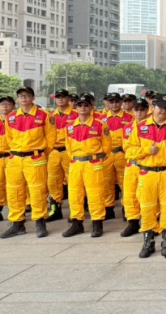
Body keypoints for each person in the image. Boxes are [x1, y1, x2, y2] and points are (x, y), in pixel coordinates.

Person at [125, 94, 166, 258]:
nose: (163, 111)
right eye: (160, 107)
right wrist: (146, 151)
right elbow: (129, 151)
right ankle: (148, 241)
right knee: (147, 207)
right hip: (147, 174)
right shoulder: (141, 127)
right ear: (153, 108)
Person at [1, 86, 55, 239]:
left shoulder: (44, 115)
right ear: (17, 99)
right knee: (14, 191)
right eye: (21, 96)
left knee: (37, 191)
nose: (23, 98)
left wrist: (41, 154)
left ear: (33, 98)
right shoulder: (11, 117)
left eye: (27, 95)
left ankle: (40, 221)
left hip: (35, 158)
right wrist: (15, 152)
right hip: (15, 159)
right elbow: (9, 138)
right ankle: (17, 223)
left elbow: (51, 138)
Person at [62, 94, 113, 238]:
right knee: (74, 194)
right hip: (76, 164)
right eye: (80, 105)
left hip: (93, 164)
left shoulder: (100, 125)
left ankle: (97, 223)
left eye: (86, 105)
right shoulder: (70, 126)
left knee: (95, 194)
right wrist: (74, 158)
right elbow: (68, 146)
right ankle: (77, 223)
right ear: (76, 107)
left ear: (91, 107)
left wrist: (97, 160)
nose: (83, 108)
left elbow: (107, 147)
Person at [120, 98, 150, 238]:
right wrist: (142, 151)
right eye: (136, 109)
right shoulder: (127, 128)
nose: (139, 112)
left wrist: (138, 151)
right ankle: (132, 222)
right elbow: (127, 149)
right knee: (129, 195)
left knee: (146, 196)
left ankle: (150, 223)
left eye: (142, 109)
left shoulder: (152, 126)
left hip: (146, 166)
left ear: (147, 110)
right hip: (131, 165)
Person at [46, 88, 75, 223]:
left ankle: (76, 211)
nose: (61, 99)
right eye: (58, 97)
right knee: (53, 181)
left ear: (68, 99)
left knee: (73, 182)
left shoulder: (76, 114)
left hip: (68, 152)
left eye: (63, 97)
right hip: (54, 152)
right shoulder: (50, 116)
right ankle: (55, 209)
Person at [103, 92, 133, 219]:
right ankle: (108, 208)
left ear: (121, 103)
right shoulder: (102, 119)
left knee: (125, 183)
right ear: (108, 103)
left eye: (116, 101)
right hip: (107, 155)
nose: (114, 104)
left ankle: (127, 208)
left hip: (122, 154)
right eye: (112, 102)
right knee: (107, 182)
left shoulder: (130, 117)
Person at [0, 96, 14, 221]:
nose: (4, 106)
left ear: (13, 106)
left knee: (14, 185)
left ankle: (21, 209)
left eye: (8, 104)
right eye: (2, 104)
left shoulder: (16, 121)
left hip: (12, 157)